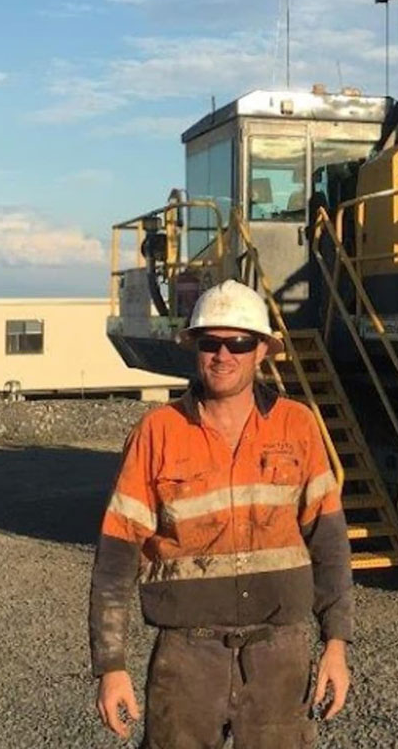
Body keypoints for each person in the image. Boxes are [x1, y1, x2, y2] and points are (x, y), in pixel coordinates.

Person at [89, 279, 353, 748]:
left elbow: (328, 543)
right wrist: (111, 666)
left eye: (239, 342)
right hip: (186, 659)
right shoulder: (157, 433)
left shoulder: (299, 426)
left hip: (279, 658)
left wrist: (336, 642)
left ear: (262, 352)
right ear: (195, 348)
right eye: (210, 342)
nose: (223, 355)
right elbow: (115, 560)